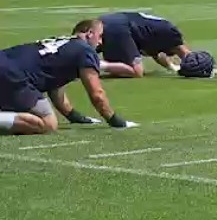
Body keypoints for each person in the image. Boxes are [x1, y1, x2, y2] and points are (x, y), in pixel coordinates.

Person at [0, 19, 138, 134]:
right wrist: (116, 121)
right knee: (48, 123)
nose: (101, 42)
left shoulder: (62, 43)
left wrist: (74, 117)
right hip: (11, 75)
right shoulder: (86, 51)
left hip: (5, 64)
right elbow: (97, 94)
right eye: (100, 36)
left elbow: (55, 89)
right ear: (90, 33)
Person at [96, 10, 195, 78]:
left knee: (88, 49)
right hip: (119, 28)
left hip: (107, 21)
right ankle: (97, 64)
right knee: (136, 72)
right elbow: (186, 55)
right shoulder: (172, 36)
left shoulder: (157, 34)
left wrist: (171, 67)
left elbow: (156, 53)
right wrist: (193, 67)